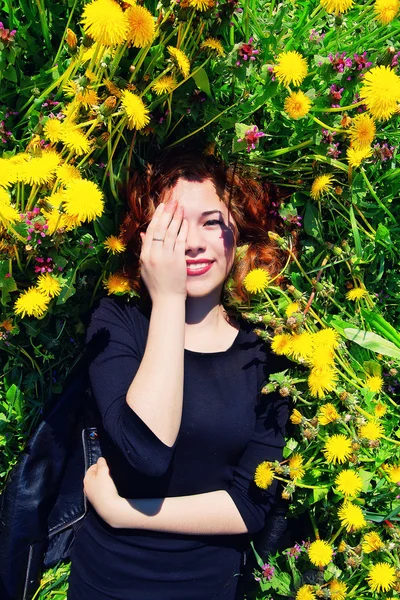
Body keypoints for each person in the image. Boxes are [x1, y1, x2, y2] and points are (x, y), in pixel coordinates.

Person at [66, 150, 291, 600]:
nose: (191, 243)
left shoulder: (268, 354)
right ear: (147, 239)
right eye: (173, 226)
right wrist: (168, 301)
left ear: (239, 236)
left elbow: (250, 505)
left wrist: (125, 511)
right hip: (106, 583)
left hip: (207, 587)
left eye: (211, 222)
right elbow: (145, 452)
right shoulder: (118, 325)